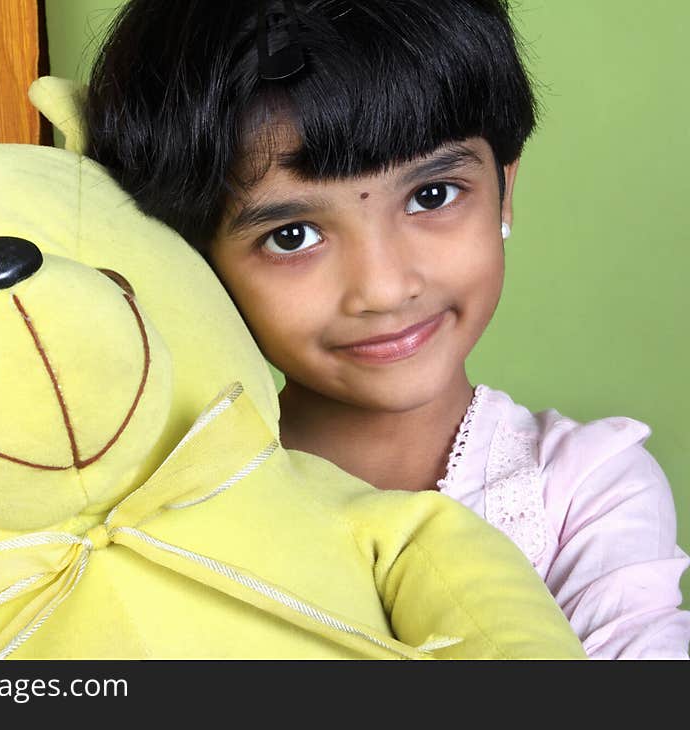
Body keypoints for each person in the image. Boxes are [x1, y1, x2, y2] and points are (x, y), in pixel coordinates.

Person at [83, 0, 690, 658]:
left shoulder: (581, 490)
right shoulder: (153, 500)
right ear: (192, 259)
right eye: (293, 236)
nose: (383, 287)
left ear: (504, 191)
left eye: (433, 195)